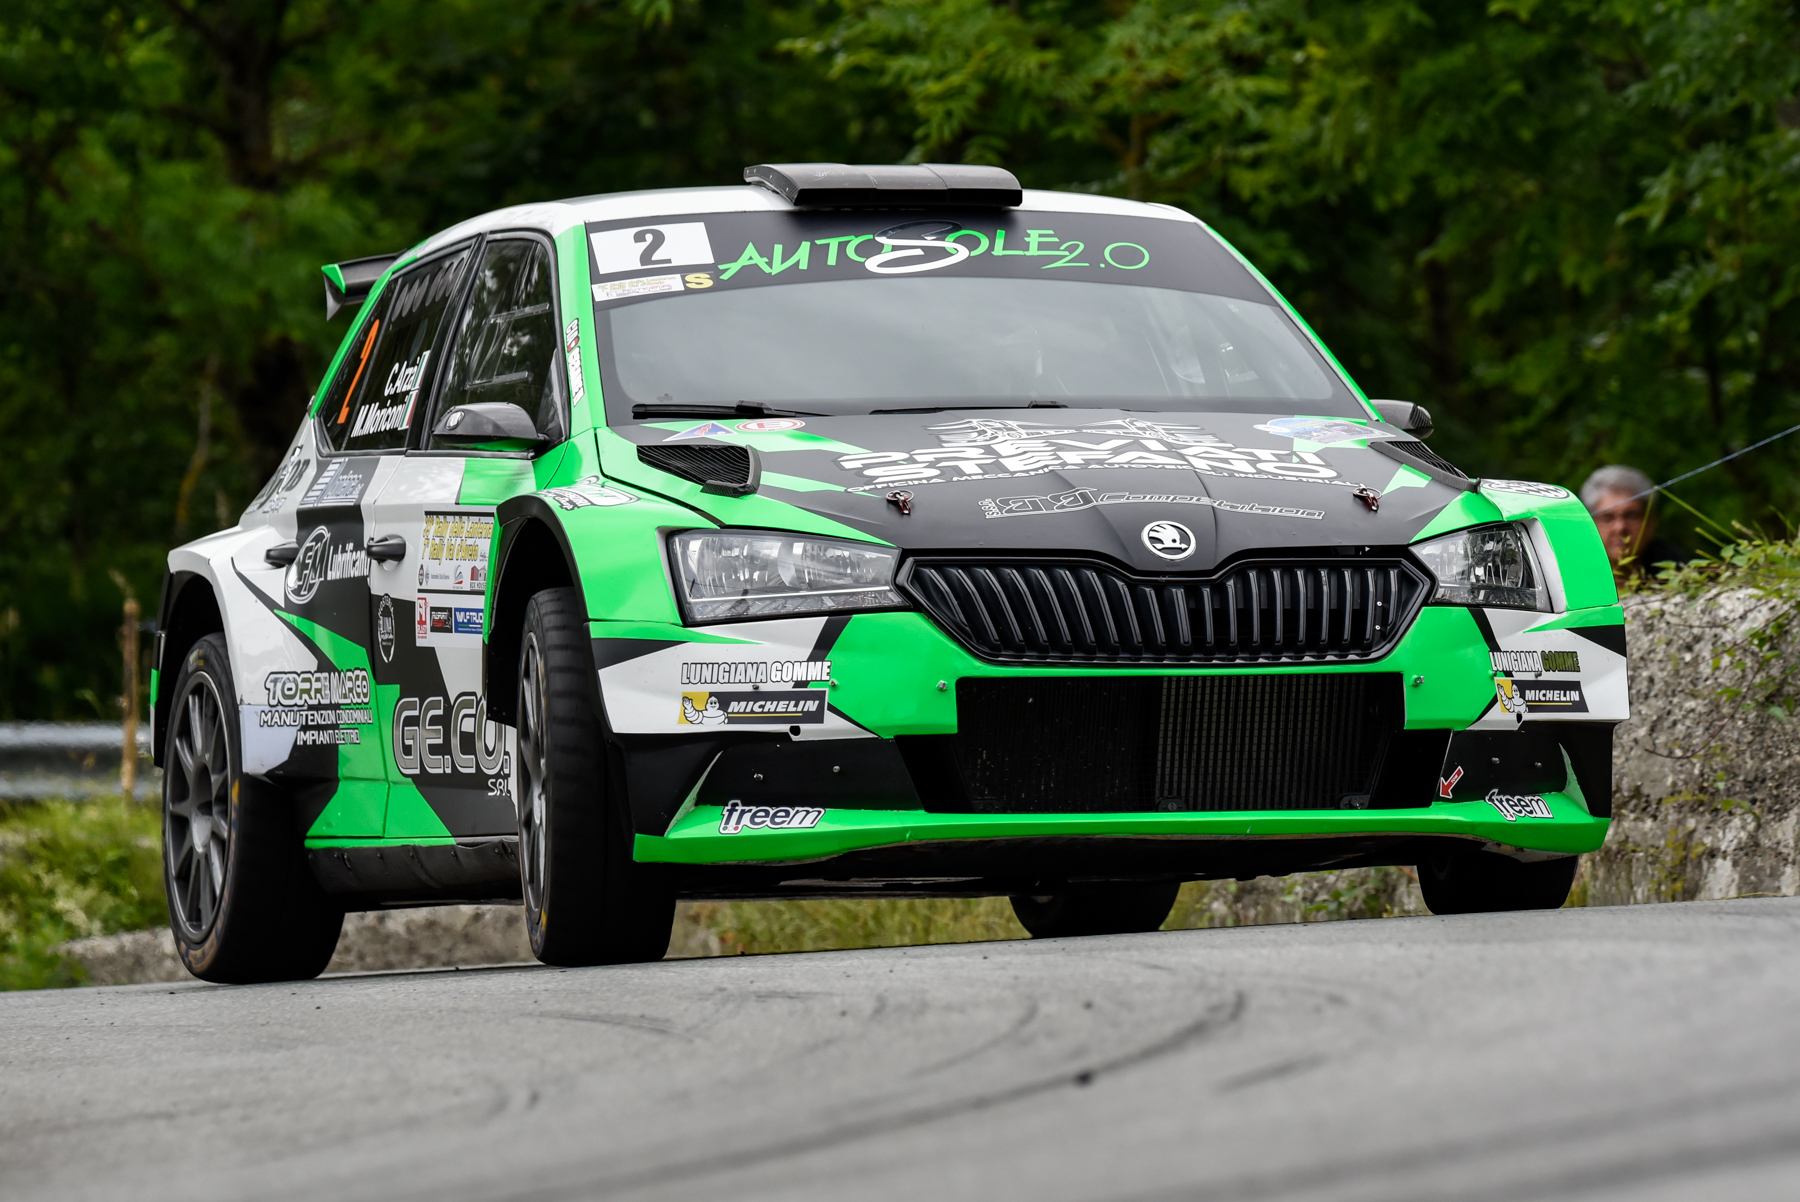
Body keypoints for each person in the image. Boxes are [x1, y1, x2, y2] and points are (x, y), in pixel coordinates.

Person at [1579, 465, 1689, 583]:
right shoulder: (1570, 576)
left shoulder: (1681, 574)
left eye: (1631, 516)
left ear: (1651, 522)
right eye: (1608, 518)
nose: (1620, 527)